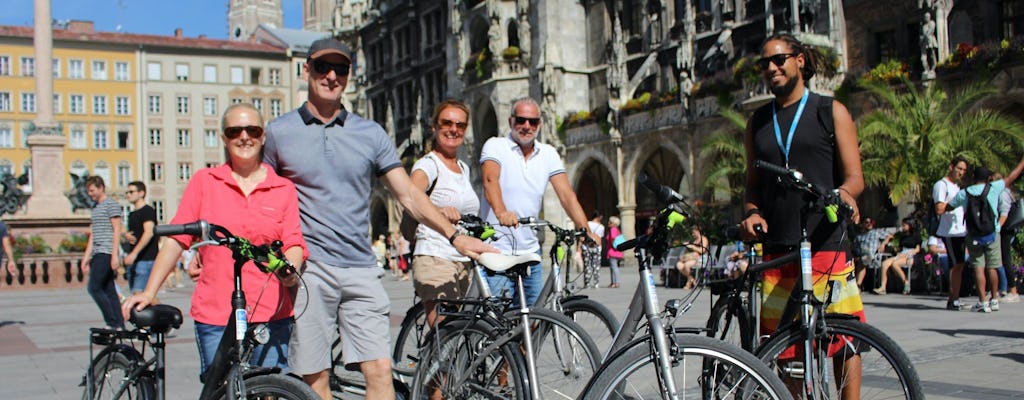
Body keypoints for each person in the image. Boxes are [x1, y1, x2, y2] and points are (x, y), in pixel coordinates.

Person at [262, 37, 494, 400]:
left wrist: (454, 236)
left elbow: (408, 194)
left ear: (349, 75)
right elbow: (261, 196)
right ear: (307, 70)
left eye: (340, 68)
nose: (331, 75)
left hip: (359, 267)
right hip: (310, 270)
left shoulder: (370, 133)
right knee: (315, 375)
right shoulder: (278, 133)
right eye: (323, 67)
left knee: (380, 370)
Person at [122, 103, 305, 375]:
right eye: (235, 131)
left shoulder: (282, 187)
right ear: (224, 138)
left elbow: (293, 242)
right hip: (217, 314)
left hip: (270, 315)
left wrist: (290, 271)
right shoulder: (205, 182)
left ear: (263, 136)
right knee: (222, 390)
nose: (245, 136)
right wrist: (149, 291)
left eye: (252, 129)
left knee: (272, 392)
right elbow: (176, 239)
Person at [740, 34, 866, 398]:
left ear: (800, 60)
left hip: (827, 240)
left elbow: (855, 177)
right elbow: (752, 187)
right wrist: (750, 213)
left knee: (844, 337)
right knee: (784, 346)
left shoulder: (830, 111)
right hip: (778, 248)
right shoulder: (758, 122)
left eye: (779, 59)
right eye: (764, 63)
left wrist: (844, 194)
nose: (771, 68)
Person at [480, 97, 597, 307]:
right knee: (495, 319)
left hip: (530, 252)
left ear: (539, 125)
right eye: (521, 120)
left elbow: (566, 195)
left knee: (533, 318)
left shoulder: (548, 153)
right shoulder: (496, 146)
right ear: (510, 121)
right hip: (496, 250)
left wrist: (585, 229)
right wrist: (501, 212)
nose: (527, 126)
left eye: (532, 122)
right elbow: (491, 181)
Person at [410, 99, 477, 328]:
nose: (453, 129)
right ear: (434, 127)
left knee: (468, 333)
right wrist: (439, 210)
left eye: (460, 125)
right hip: (435, 256)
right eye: (446, 123)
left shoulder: (463, 167)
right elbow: (411, 196)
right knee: (445, 337)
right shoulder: (428, 165)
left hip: (463, 259)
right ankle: (435, 364)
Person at [944, 160, 1024, 312]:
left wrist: (942, 207)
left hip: (973, 234)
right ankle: (994, 299)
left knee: (978, 268)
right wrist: (1022, 162)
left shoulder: (965, 192)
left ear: (974, 177)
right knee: (992, 267)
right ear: (988, 178)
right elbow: (1012, 176)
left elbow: (948, 206)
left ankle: (983, 301)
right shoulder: (993, 188)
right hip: (992, 233)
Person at [81, 176, 125, 330]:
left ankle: (112, 322)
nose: (90, 194)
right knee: (109, 290)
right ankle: (119, 324)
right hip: (98, 251)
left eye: (92, 190)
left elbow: (117, 229)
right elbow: (93, 233)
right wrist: (86, 257)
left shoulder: (111, 205)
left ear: (101, 188)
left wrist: (115, 255)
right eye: (88, 191)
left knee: (94, 288)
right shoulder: (96, 207)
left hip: (106, 251)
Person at [935, 156, 969, 310]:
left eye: (963, 170)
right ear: (951, 167)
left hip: (961, 231)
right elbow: (940, 209)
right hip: (948, 232)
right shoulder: (941, 185)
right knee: (955, 265)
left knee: (960, 265)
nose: (961, 172)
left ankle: (956, 297)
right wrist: (955, 203)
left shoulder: (958, 187)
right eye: (959, 168)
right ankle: (952, 298)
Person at [122, 181, 158, 294]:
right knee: (139, 295)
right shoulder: (132, 214)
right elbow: (137, 233)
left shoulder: (147, 211)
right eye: (127, 192)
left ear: (141, 193)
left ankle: (168, 312)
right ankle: (165, 312)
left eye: (131, 192)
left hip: (146, 259)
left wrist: (134, 253)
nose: (128, 195)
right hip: (135, 260)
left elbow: (149, 232)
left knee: (140, 294)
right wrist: (126, 235)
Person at [873, 217, 921, 295]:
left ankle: (906, 282)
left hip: (911, 255)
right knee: (885, 263)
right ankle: (883, 287)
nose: (902, 227)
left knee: (895, 263)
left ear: (910, 225)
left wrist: (906, 254)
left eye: (904, 225)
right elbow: (890, 237)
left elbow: (917, 249)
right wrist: (884, 244)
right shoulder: (902, 235)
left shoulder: (916, 235)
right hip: (901, 253)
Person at [606, 216, 624, 288]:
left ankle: (616, 282)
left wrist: (614, 246)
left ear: (613, 223)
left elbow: (613, 238)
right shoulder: (617, 229)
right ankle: (613, 282)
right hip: (616, 252)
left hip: (613, 251)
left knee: (614, 267)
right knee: (613, 267)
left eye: (610, 222)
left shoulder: (613, 229)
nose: (608, 223)